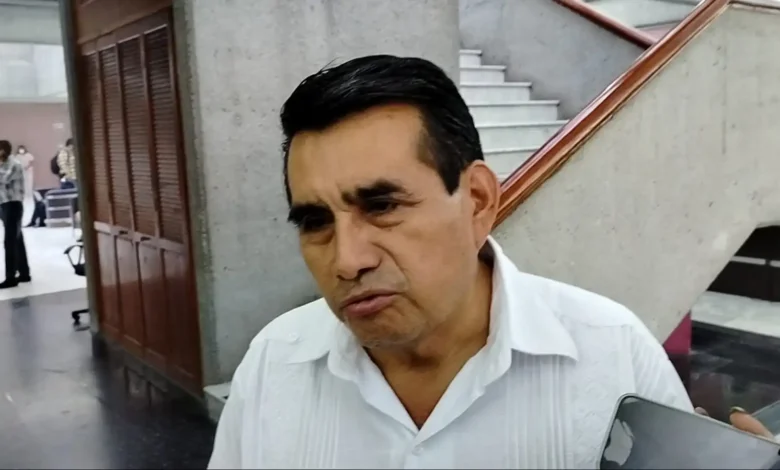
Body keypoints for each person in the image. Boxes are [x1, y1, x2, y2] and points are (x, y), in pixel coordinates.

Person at [208, 56, 771, 469]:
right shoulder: (274, 365)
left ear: (477, 200)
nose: (347, 260)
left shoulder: (613, 353)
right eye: (315, 222)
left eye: (382, 206)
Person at [0, 140, 31, 288]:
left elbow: (3, 178)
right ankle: (24, 273)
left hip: (13, 204)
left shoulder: (14, 164)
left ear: (3, 151)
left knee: (10, 241)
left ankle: (10, 277)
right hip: (4, 204)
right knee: (17, 239)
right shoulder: (3, 164)